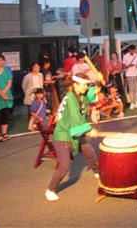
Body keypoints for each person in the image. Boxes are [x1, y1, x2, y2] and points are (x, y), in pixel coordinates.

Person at [45, 73, 99, 201]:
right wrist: (90, 130)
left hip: (74, 131)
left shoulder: (80, 95)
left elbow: (94, 92)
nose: (87, 87)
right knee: (65, 165)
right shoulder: (71, 99)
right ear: (76, 85)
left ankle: (97, 172)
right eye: (85, 85)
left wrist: (99, 81)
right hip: (64, 134)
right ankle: (50, 190)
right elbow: (76, 126)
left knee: (90, 152)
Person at [123, 45, 137, 109]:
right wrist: (130, 65)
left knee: (136, 89)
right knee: (131, 90)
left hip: (136, 74)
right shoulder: (125, 56)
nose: (132, 51)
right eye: (131, 50)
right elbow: (123, 66)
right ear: (129, 50)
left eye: (133, 50)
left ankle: (136, 102)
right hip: (129, 75)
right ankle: (132, 103)